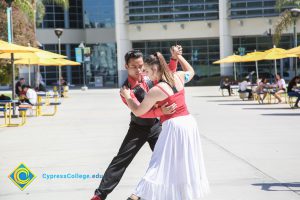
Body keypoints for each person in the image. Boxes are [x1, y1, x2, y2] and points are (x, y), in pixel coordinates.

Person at [91, 47, 181, 200]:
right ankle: (99, 195)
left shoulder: (148, 76)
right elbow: (141, 111)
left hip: (155, 126)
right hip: (138, 127)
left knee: (168, 158)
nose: (139, 70)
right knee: (121, 160)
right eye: (134, 66)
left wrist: (174, 58)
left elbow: (168, 75)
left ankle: (144, 195)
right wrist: (161, 112)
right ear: (126, 66)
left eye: (141, 66)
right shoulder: (125, 90)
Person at [120, 52, 209, 200]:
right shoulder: (178, 76)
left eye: (146, 71)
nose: (145, 75)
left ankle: (137, 195)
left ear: (154, 69)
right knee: (183, 164)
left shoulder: (156, 90)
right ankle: (181, 196)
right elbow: (191, 72)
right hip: (189, 123)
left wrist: (128, 97)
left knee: (158, 162)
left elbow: (138, 111)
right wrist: (178, 56)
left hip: (174, 126)